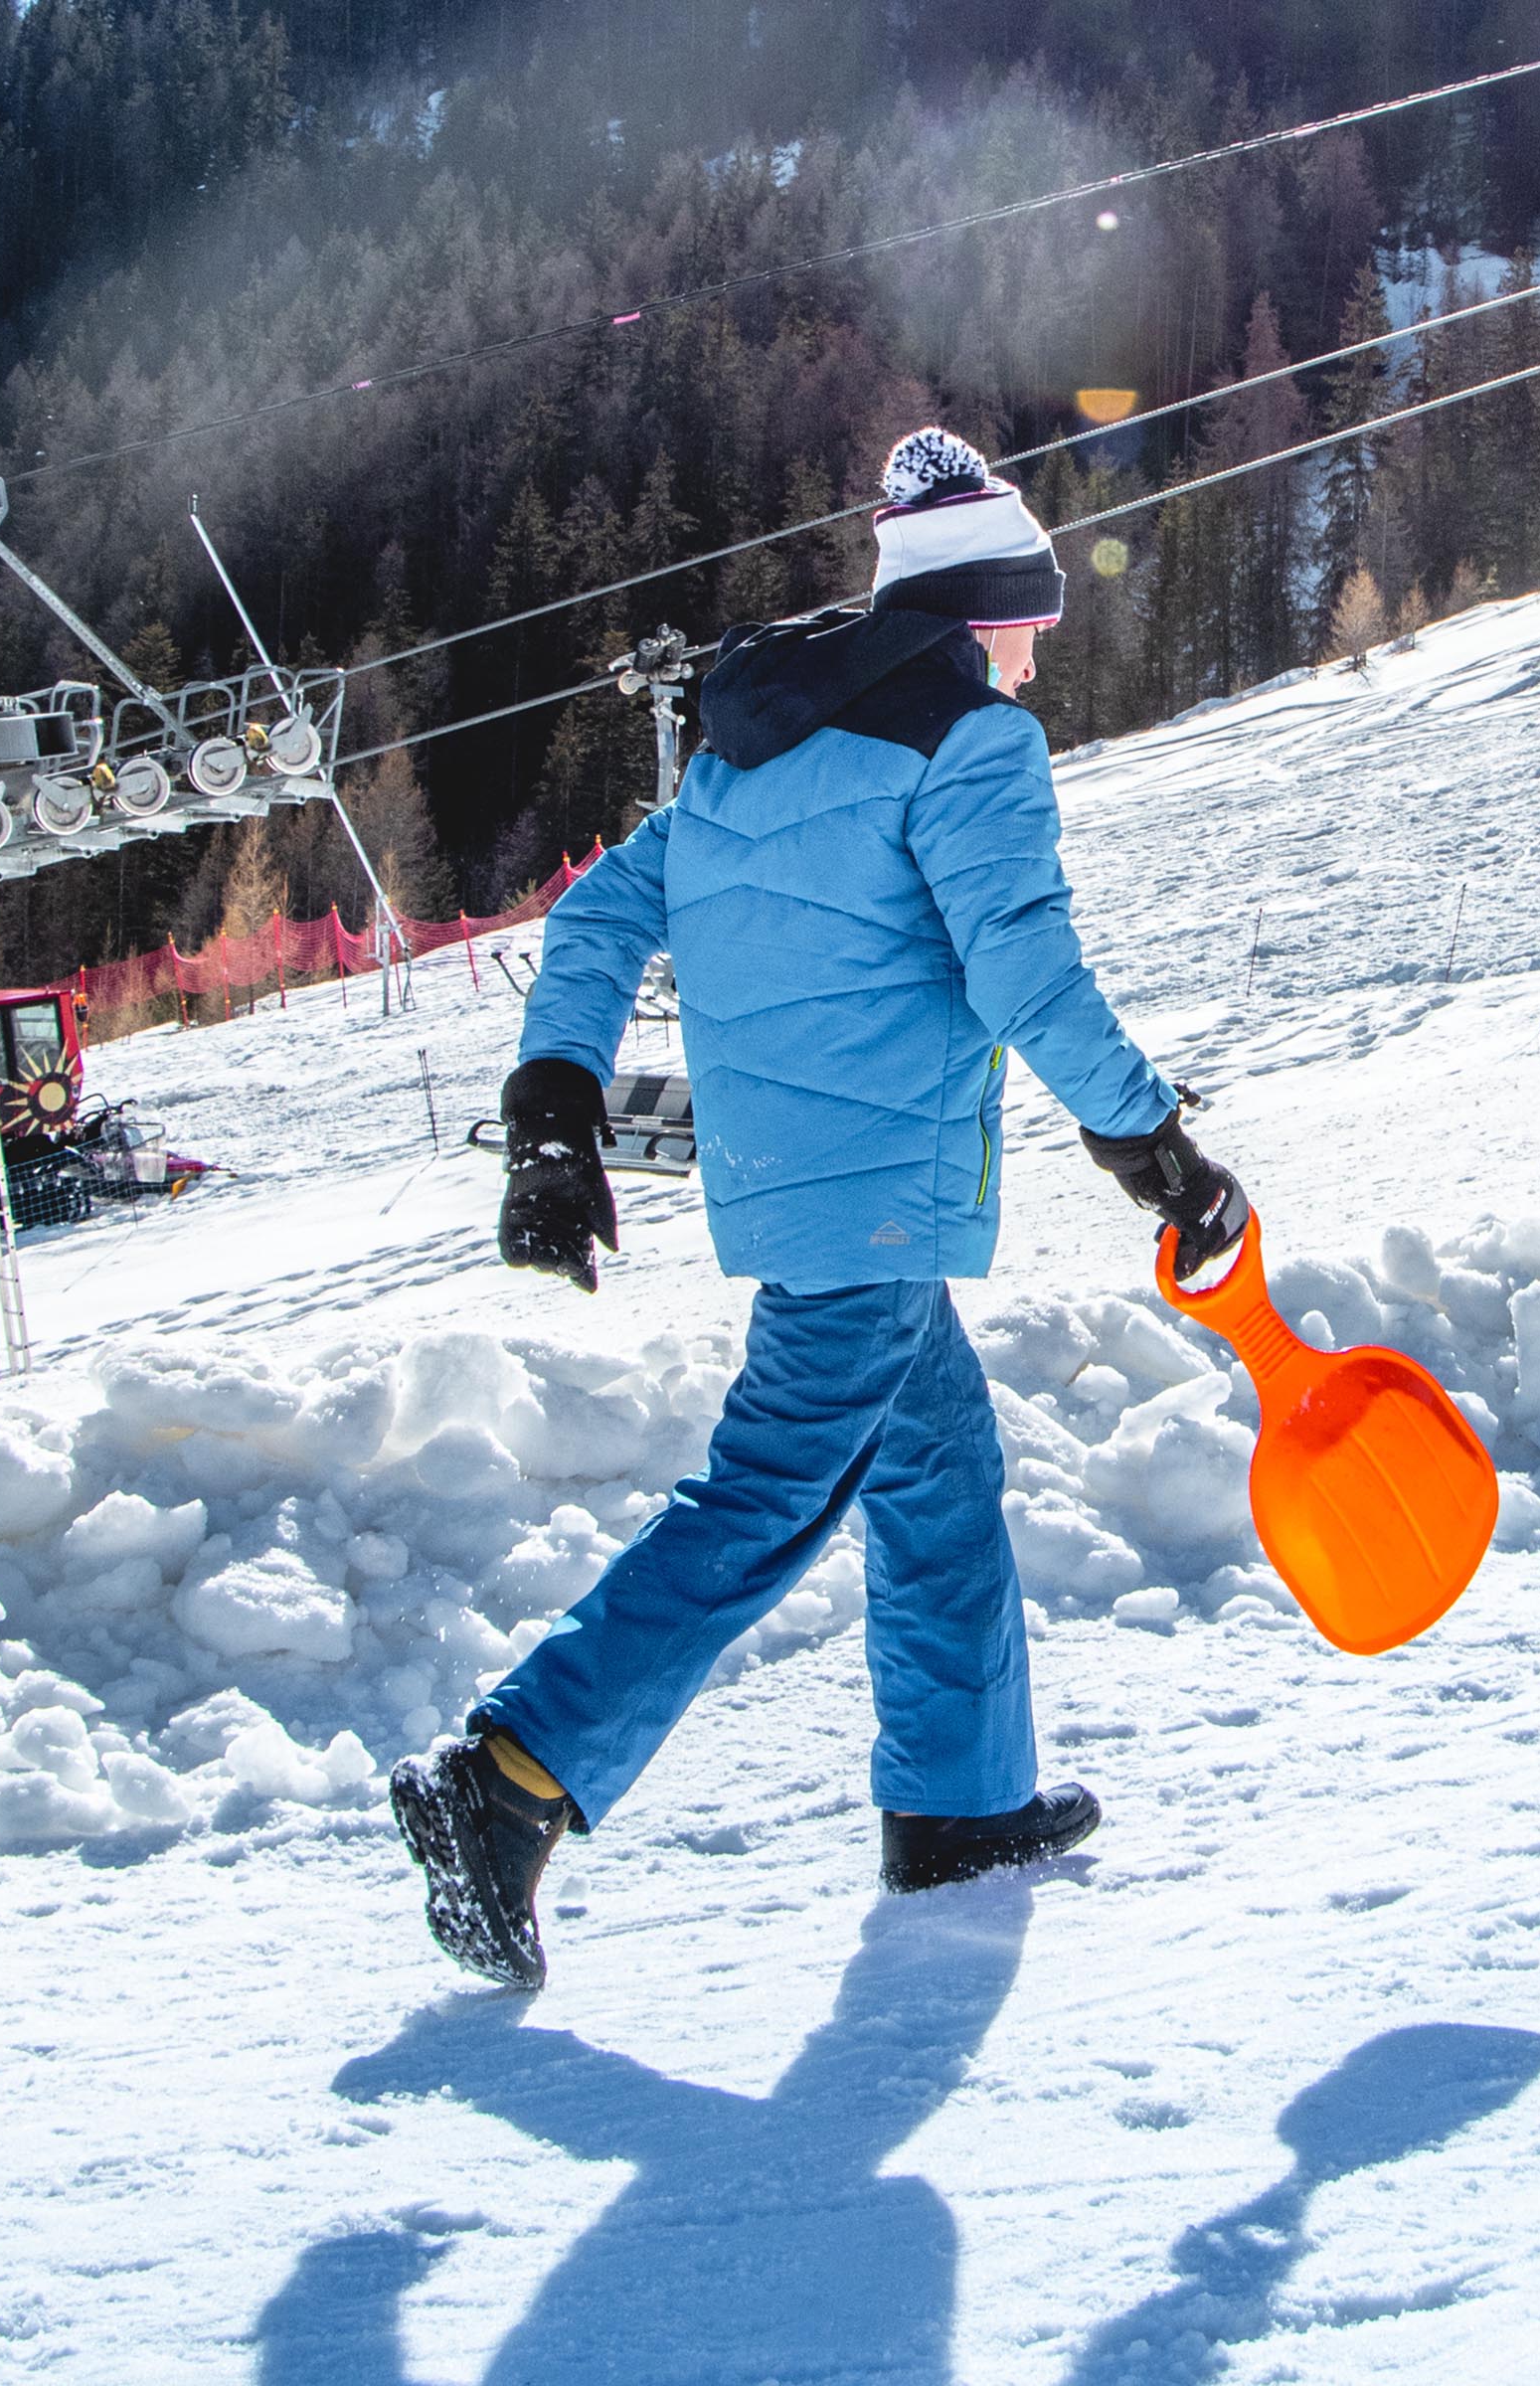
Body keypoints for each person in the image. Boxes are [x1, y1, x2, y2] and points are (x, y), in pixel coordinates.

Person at [390, 427, 1249, 1991]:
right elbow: (1023, 971)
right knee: (770, 1494)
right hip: (877, 1197)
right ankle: (508, 1781)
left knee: (935, 1474)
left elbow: (590, 920)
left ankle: (958, 1803)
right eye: (1028, 626)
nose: (1035, 660)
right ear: (976, 612)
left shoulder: (742, 759)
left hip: (799, 1187)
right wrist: (1155, 1147)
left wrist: (553, 1115)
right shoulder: (969, 745)